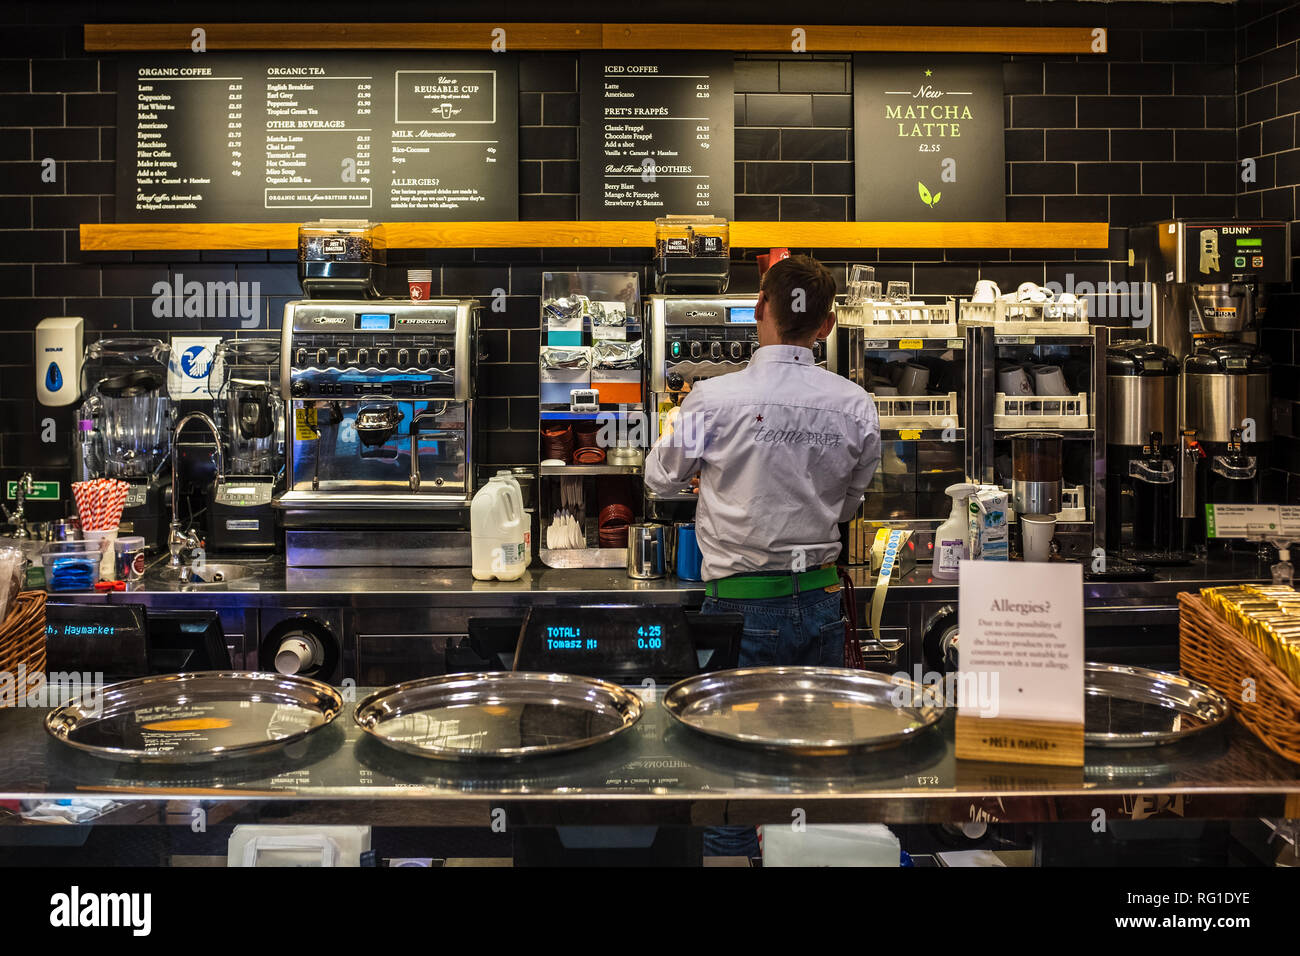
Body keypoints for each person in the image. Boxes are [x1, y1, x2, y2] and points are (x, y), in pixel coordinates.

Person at [645, 254, 881, 669]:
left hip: (741, 608)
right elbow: (846, 507)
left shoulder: (711, 399)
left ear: (759, 308)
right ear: (826, 326)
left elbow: (661, 480)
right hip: (822, 606)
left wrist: (701, 460)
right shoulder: (858, 405)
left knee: (733, 732)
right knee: (815, 731)